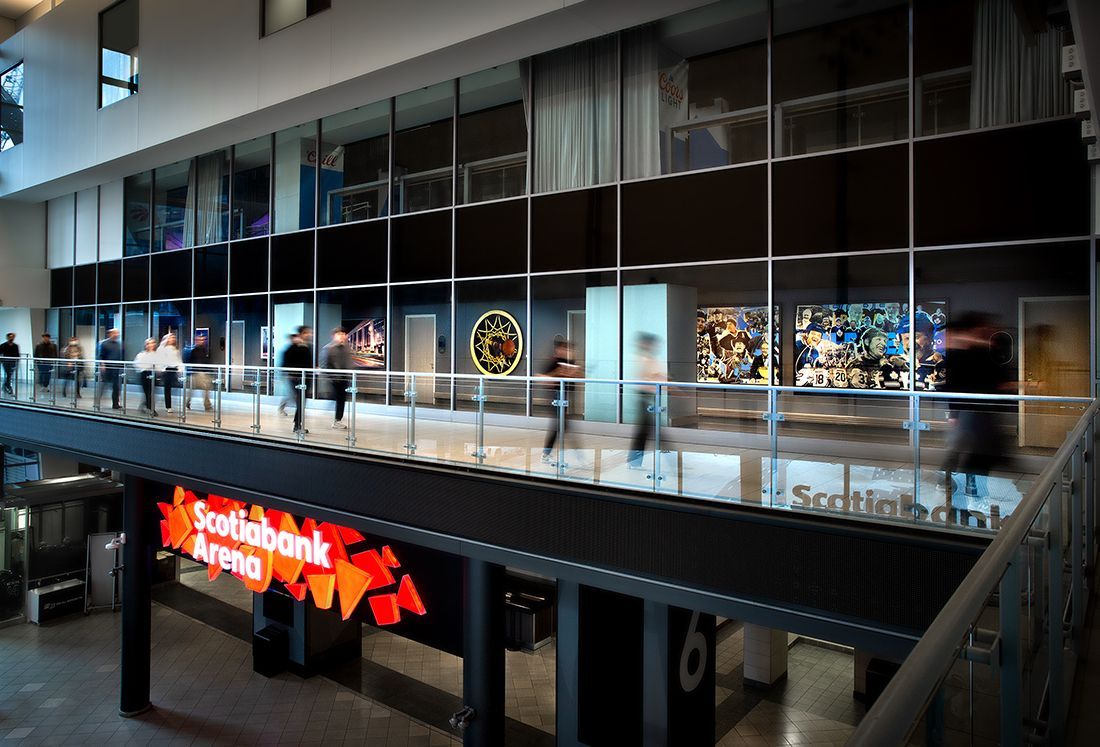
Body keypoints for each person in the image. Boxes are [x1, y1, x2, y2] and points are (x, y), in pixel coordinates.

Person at [941, 312, 1011, 517]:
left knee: (968, 455)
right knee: (971, 457)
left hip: (975, 414)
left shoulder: (975, 351)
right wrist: (954, 412)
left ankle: (965, 496)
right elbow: (955, 385)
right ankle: (966, 498)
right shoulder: (969, 353)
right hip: (972, 414)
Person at [627, 334, 664, 470]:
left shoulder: (649, 359)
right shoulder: (643, 359)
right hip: (644, 397)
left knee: (647, 429)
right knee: (645, 430)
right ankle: (634, 462)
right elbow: (646, 379)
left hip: (649, 397)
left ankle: (634, 462)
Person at [539, 339, 579, 463]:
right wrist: (557, 373)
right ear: (557, 350)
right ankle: (547, 454)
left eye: (568, 349)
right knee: (559, 426)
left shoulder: (568, 362)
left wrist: (573, 372)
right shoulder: (553, 362)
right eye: (564, 349)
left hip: (563, 399)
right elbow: (542, 378)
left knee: (562, 426)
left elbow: (574, 380)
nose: (566, 351)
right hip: (555, 399)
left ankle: (575, 453)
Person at [283, 326, 313, 434]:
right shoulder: (295, 347)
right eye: (307, 333)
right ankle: (297, 425)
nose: (310, 335)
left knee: (301, 402)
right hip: (297, 379)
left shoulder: (307, 346)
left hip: (306, 379)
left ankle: (297, 424)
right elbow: (287, 361)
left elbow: (308, 364)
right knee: (300, 401)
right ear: (301, 334)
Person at [321, 327, 351, 428]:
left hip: (344, 379)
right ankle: (337, 420)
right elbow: (325, 365)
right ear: (334, 336)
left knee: (342, 399)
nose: (342, 336)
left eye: (343, 334)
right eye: (339, 334)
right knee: (339, 398)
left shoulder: (346, 348)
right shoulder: (328, 348)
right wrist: (332, 378)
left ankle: (338, 420)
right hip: (335, 379)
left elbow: (348, 363)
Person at [184, 333, 213, 411]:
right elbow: (190, 361)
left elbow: (206, 361)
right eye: (200, 340)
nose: (202, 341)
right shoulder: (194, 350)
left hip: (202, 372)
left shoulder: (204, 350)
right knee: (195, 389)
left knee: (205, 388)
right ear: (196, 341)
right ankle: (189, 402)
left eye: (203, 339)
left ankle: (207, 405)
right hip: (197, 372)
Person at [97, 328, 122, 409]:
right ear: (110, 334)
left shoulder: (118, 344)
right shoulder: (104, 344)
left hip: (116, 368)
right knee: (103, 385)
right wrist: (102, 365)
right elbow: (101, 356)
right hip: (107, 368)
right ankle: (97, 402)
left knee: (116, 387)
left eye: (117, 333)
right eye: (115, 333)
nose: (117, 334)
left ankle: (115, 404)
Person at [158, 333, 184, 413]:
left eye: (174, 338)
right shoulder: (162, 348)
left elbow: (179, 360)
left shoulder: (175, 349)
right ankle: (168, 406)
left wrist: (181, 369)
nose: (173, 339)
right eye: (171, 338)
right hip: (167, 370)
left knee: (175, 388)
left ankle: (173, 404)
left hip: (174, 369)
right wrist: (162, 369)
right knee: (167, 388)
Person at [134, 337, 159, 415]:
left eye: (152, 343)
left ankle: (147, 406)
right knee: (147, 392)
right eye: (148, 344)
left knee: (151, 393)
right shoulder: (141, 355)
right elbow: (137, 364)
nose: (150, 345)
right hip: (145, 374)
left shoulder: (157, 355)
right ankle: (151, 408)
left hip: (153, 374)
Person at [277, 334, 298, 416]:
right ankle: (281, 408)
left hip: (293, 375)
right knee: (290, 393)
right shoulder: (288, 351)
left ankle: (297, 409)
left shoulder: (296, 350)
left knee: (292, 393)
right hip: (288, 375)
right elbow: (285, 364)